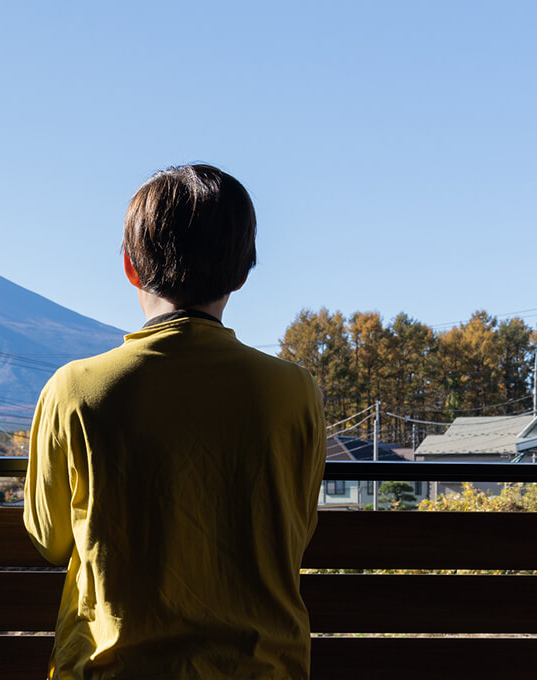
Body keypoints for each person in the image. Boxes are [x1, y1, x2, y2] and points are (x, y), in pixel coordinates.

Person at [23, 164, 325, 679]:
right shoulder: (295, 391)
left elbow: (48, 538)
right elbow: (297, 530)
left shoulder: (74, 389)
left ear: (130, 267)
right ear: (242, 274)